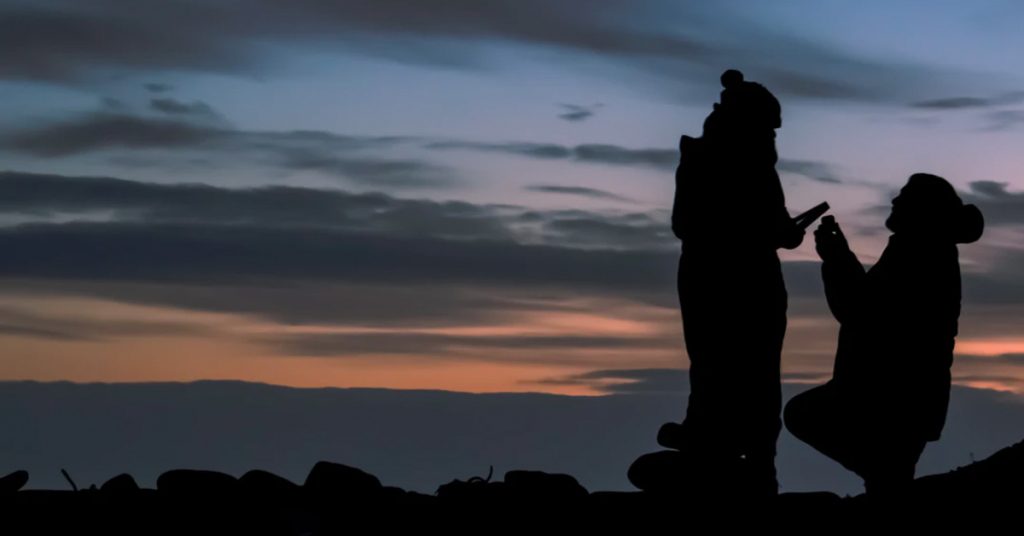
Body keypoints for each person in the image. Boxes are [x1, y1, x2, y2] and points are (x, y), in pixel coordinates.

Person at [630, 69, 804, 497]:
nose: (772, 138)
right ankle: (722, 451)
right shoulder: (718, 162)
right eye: (768, 129)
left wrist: (780, 232)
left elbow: (771, 225)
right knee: (730, 367)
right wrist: (770, 233)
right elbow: (689, 224)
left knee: (742, 369)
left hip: (731, 277)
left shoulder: (739, 164)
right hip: (726, 278)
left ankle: (743, 458)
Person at [784, 173, 984, 495]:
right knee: (887, 479)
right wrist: (839, 256)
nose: (894, 200)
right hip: (909, 398)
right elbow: (866, 305)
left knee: (804, 416)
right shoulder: (924, 248)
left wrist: (836, 257)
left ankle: (884, 476)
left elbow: (860, 310)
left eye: (904, 196)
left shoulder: (919, 251)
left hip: (891, 397)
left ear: (921, 208)